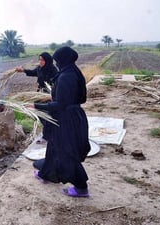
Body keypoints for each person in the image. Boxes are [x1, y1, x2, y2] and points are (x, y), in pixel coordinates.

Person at [26, 46, 91, 197]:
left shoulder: (66, 77)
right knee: (54, 147)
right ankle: (45, 174)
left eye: (57, 61)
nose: (56, 64)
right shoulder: (74, 71)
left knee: (66, 153)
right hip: (71, 116)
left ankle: (81, 187)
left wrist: (36, 105)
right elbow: (80, 98)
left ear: (62, 60)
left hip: (66, 120)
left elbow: (60, 105)